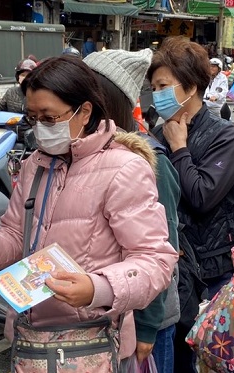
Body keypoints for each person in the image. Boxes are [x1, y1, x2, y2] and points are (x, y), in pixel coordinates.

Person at [0, 55, 177, 368]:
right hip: (30, 338)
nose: (40, 129)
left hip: (93, 343)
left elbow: (156, 260)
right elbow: (16, 233)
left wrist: (98, 288)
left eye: (49, 118)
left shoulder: (124, 168)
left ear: (84, 111)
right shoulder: (36, 163)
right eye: (33, 118)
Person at [84, 48, 181, 373]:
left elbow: (162, 251)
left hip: (146, 320)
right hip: (111, 313)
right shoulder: (89, 154)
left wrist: (148, 327)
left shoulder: (150, 161)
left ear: (101, 102)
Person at [148, 36, 234, 299]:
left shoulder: (224, 135)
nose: (156, 94)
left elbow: (202, 196)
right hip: (170, 262)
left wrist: (180, 149)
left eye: (163, 86)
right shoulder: (158, 133)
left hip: (211, 269)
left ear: (190, 87)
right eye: (153, 87)